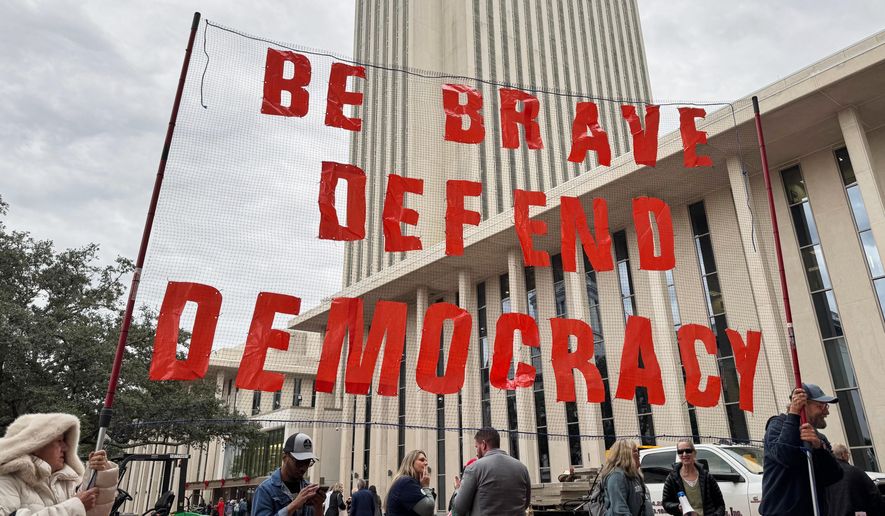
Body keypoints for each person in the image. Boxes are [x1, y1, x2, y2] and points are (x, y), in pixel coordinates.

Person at [0, 412, 118, 516]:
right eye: (59, 441)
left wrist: (99, 472)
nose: (65, 447)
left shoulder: (68, 480)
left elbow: (95, 513)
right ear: (36, 445)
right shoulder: (7, 480)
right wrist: (74, 507)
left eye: (65, 441)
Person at [760, 384, 844, 515]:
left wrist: (819, 448)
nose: (826, 411)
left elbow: (834, 476)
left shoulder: (818, 438)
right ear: (802, 405)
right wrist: (794, 414)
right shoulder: (777, 426)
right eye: (821, 406)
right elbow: (785, 456)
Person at [451, 427, 531, 516]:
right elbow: (525, 503)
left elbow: (458, 509)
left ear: (484, 444)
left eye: (477, 447)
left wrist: (458, 489)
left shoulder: (473, 468)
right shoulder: (522, 468)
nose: (476, 452)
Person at [252, 432, 324, 516]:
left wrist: (318, 506)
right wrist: (294, 505)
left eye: (307, 462)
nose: (303, 468)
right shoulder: (265, 490)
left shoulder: (308, 489)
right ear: (284, 457)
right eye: (299, 462)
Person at [660, 439, 726, 515]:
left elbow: (720, 504)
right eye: (680, 452)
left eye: (688, 451)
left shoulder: (707, 477)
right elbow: (666, 503)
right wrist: (678, 507)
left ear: (694, 452)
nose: (684, 454)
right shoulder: (672, 478)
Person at [826, 443, 885, 516]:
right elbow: (875, 497)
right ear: (843, 455)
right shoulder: (856, 472)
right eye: (848, 453)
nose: (848, 456)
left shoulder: (826, 475)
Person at [599, 440, 653, 516]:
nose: (639, 454)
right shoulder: (617, 477)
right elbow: (620, 511)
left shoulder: (635, 475)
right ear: (626, 454)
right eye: (635, 451)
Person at [385, 450, 435, 516]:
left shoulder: (407, 482)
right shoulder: (407, 482)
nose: (426, 463)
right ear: (411, 463)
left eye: (426, 460)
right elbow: (428, 510)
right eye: (422, 460)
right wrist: (426, 486)